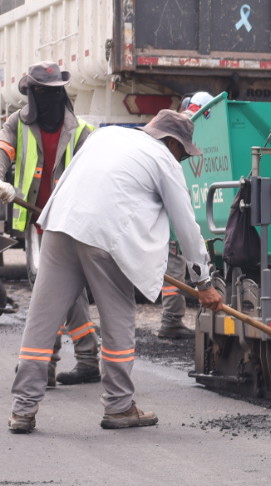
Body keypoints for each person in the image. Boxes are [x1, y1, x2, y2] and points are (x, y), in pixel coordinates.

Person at [7, 111, 223, 433]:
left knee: (41, 323)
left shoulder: (105, 136)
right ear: (172, 143)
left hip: (61, 224)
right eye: (182, 153)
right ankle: (119, 406)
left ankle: (23, 409)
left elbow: (67, 179)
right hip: (106, 237)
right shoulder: (163, 158)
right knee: (118, 320)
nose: (180, 160)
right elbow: (186, 226)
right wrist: (203, 281)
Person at [0, 62, 102, 387]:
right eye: (40, 92)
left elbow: (99, 176)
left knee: (52, 291)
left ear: (62, 94)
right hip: (38, 224)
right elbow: (2, 153)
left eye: (52, 92)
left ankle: (46, 363)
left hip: (70, 223)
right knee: (63, 291)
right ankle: (82, 358)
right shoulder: (16, 124)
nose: (46, 98)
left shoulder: (83, 132)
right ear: (31, 94)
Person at [158, 91, 215, 339]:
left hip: (173, 216)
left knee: (175, 267)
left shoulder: (174, 127)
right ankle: (170, 322)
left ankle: (172, 319)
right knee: (174, 268)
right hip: (174, 218)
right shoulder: (190, 131)